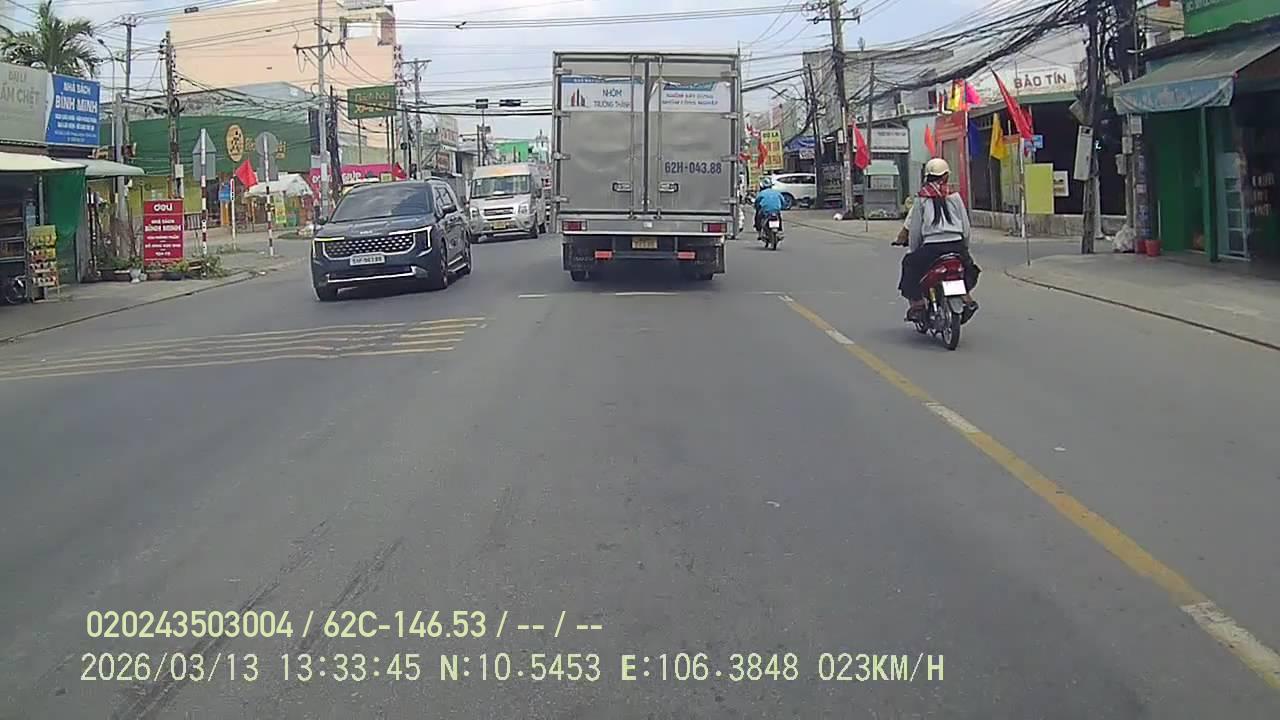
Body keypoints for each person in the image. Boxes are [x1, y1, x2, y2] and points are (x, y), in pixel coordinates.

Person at [894, 158, 979, 320]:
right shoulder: (954, 196)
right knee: (969, 269)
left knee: (909, 263)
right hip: (956, 245)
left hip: (932, 248)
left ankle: (917, 304)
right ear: (946, 176)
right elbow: (966, 227)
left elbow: (915, 230)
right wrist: (964, 248)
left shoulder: (922, 198)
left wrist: (914, 250)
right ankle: (965, 296)